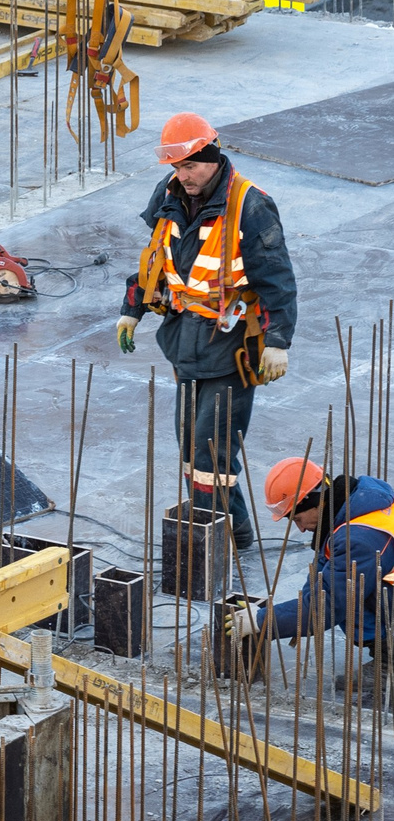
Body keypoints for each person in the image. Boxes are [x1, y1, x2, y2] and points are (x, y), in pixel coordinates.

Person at [119, 112, 297, 552]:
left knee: (210, 449)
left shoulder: (250, 206)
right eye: (176, 168)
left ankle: (222, 535)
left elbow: (278, 280)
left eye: (191, 166)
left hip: (231, 345)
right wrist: (132, 310)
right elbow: (154, 258)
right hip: (184, 341)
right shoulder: (170, 193)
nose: (184, 176)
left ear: (213, 156)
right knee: (190, 447)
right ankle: (226, 528)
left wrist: (277, 343)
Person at [231, 458, 394, 689]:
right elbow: (322, 571)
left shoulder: (358, 539)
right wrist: (296, 612)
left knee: (348, 599)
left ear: (317, 502)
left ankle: (389, 666)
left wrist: (261, 621)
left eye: (297, 518)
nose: (299, 528)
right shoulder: (356, 502)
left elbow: (327, 606)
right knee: (344, 586)